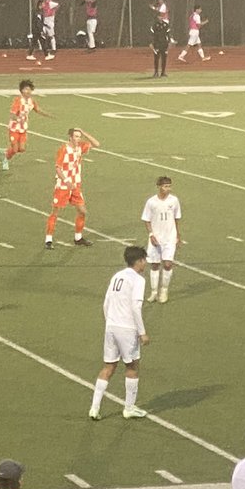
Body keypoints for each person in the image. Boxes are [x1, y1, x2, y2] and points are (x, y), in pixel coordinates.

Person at [88, 245, 149, 420]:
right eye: (144, 260)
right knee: (132, 367)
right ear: (139, 261)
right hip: (127, 328)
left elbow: (106, 302)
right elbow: (136, 307)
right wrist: (142, 332)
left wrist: (110, 322)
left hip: (111, 327)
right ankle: (129, 408)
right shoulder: (138, 280)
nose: (145, 263)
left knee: (108, 367)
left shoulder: (117, 276)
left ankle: (94, 407)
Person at [44, 128, 99, 249]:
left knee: (82, 211)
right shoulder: (63, 150)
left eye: (79, 136)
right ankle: (48, 239)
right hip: (63, 185)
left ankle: (78, 238)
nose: (78, 139)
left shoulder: (80, 147)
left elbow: (96, 144)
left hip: (75, 185)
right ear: (70, 137)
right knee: (55, 211)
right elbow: (58, 168)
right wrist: (66, 181)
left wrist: (84, 132)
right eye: (76, 136)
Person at [142, 176, 182, 303]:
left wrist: (177, 235)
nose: (168, 189)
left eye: (169, 186)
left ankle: (164, 290)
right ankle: (154, 292)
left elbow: (176, 218)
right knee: (154, 264)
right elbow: (147, 220)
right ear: (159, 186)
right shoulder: (151, 202)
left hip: (169, 237)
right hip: (156, 238)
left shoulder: (174, 201)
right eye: (165, 186)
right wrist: (151, 235)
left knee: (168, 263)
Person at [0, 79, 51, 171]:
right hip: (14, 128)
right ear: (21, 90)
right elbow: (12, 115)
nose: (28, 91)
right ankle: (5, 158)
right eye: (25, 89)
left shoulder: (31, 101)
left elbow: (37, 110)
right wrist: (18, 119)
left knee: (21, 149)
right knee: (14, 149)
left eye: (29, 89)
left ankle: (5, 151)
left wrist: (47, 114)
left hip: (23, 128)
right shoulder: (18, 101)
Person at [150, 13, 171, 78]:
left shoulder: (166, 25)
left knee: (164, 58)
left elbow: (168, 35)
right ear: (157, 17)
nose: (160, 17)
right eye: (159, 16)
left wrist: (169, 43)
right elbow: (152, 35)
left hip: (164, 44)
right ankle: (156, 72)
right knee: (156, 58)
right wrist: (152, 43)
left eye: (162, 16)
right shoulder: (154, 25)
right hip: (157, 44)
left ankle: (163, 72)